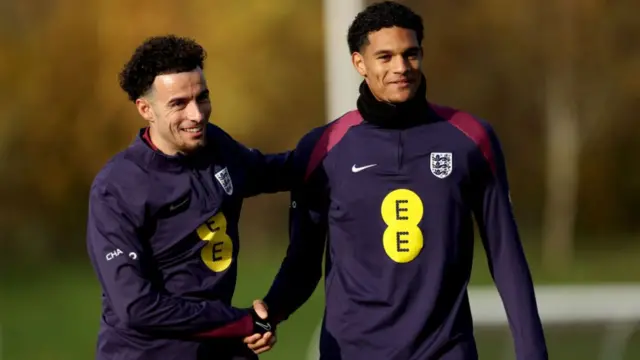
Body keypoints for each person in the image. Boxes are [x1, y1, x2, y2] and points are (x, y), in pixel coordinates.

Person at [259, 2, 548, 359]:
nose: (401, 68)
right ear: (359, 63)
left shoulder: (471, 139)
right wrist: (270, 313)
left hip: (445, 351)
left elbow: (507, 258)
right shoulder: (323, 148)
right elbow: (303, 263)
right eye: (385, 57)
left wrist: (533, 351)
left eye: (410, 54)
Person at [86, 35, 283, 360]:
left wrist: (339, 144)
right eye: (178, 103)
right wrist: (241, 321)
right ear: (145, 109)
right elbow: (137, 306)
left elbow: (277, 170)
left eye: (202, 98)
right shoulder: (117, 187)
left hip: (219, 348)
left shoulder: (217, 147)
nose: (197, 115)